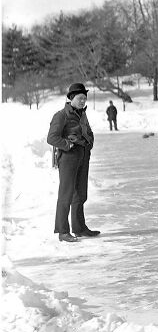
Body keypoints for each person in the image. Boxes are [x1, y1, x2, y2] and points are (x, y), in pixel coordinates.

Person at [47, 83, 100, 242]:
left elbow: (88, 132)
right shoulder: (61, 115)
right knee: (66, 195)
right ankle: (63, 231)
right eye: (80, 98)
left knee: (81, 193)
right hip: (68, 158)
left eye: (84, 98)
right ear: (71, 98)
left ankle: (79, 228)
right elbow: (52, 138)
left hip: (83, 156)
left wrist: (89, 144)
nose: (83, 101)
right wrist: (68, 145)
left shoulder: (82, 115)